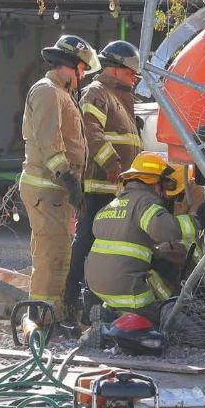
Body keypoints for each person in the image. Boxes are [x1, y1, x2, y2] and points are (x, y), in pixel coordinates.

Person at [19, 34, 100, 321]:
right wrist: (67, 176)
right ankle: (41, 319)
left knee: (59, 255)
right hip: (47, 187)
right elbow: (49, 141)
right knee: (49, 256)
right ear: (71, 65)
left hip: (55, 190)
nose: (82, 77)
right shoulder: (47, 92)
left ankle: (53, 314)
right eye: (82, 69)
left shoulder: (60, 93)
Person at [63, 40, 143, 318]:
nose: (134, 79)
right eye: (132, 73)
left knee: (104, 247)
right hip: (100, 185)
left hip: (117, 186)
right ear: (117, 69)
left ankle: (93, 304)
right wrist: (112, 163)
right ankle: (70, 299)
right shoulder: (97, 92)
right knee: (87, 240)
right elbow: (90, 131)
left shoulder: (121, 98)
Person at [84, 152, 202, 327]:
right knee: (161, 320)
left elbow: (129, 242)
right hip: (125, 286)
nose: (164, 193)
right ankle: (124, 320)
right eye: (163, 185)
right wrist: (197, 221)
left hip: (97, 284)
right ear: (154, 183)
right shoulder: (145, 201)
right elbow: (164, 229)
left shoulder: (111, 206)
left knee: (155, 267)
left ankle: (110, 315)